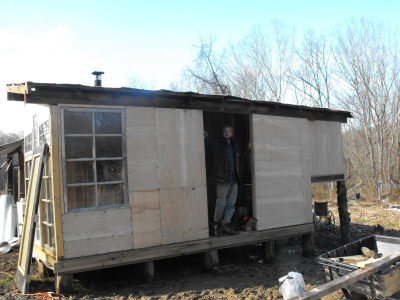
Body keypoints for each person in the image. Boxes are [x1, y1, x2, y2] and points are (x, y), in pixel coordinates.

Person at [206, 125, 251, 235]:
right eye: (225, 131)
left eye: (229, 131)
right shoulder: (216, 144)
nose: (227, 133)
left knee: (231, 203)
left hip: (234, 179)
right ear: (223, 133)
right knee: (220, 203)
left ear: (232, 133)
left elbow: (240, 157)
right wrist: (203, 137)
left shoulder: (235, 145)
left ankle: (226, 224)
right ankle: (216, 224)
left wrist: (248, 149)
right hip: (221, 179)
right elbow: (207, 150)